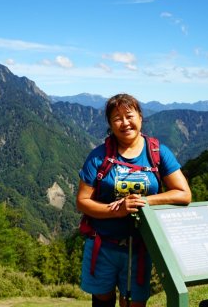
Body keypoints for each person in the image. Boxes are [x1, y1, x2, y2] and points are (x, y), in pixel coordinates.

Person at [76, 93, 192, 307]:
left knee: (134, 303)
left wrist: (145, 202)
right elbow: (82, 201)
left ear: (140, 116)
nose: (124, 122)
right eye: (117, 118)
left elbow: (184, 194)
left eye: (129, 115)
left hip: (141, 247)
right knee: (102, 300)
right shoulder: (98, 156)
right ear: (110, 124)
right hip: (103, 245)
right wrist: (116, 211)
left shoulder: (158, 152)